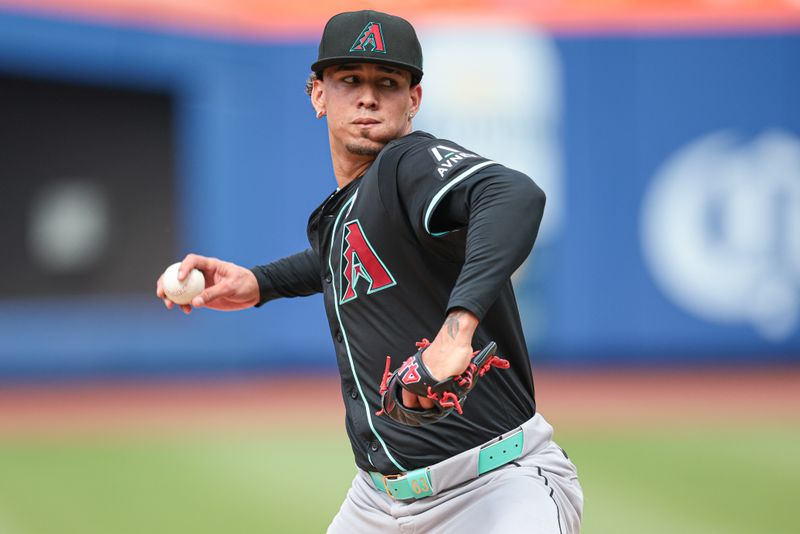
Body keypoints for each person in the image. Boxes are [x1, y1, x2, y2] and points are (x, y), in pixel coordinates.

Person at [156, 9, 582, 533]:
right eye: (349, 80)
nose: (367, 96)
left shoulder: (409, 164)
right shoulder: (354, 207)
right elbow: (346, 257)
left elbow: (514, 193)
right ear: (317, 94)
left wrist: (457, 330)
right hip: (377, 506)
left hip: (494, 489)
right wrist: (260, 283)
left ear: (414, 101)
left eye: (388, 82)